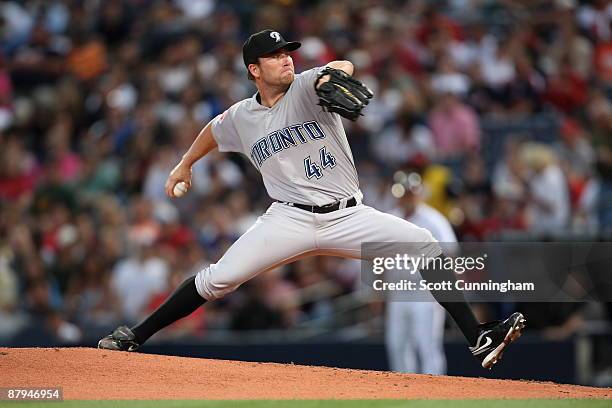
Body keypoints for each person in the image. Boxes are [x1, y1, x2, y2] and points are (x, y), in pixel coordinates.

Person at [98, 29, 525, 370]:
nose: (287, 58)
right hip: (288, 221)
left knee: (425, 245)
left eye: (288, 52)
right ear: (254, 69)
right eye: (275, 55)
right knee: (217, 280)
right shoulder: (243, 117)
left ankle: (478, 336)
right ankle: (135, 335)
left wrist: (330, 76)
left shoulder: (306, 85)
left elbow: (340, 65)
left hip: (348, 215)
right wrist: (185, 164)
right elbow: (214, 129)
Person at [385, 172, 458, 374]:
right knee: (397, 344)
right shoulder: (390, 217)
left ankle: (433, 393)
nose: (407, 197)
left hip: (425, 291)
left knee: (426, 345)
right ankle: (403, 392)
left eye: (410, 193)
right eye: (403, 193)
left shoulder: (433, 219)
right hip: (398, 291)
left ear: (419, 193)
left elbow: (450, 253)